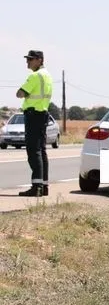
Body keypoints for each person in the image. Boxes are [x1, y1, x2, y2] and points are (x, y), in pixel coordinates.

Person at [16, 50, 53, 196]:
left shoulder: (35, 76)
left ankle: (36, 187)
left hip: (33, 115)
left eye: (30, 59)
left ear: (39, 60)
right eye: (27, 59)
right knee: (41, 150)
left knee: (33, 150)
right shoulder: (48, 76)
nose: (28, 62)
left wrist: (24, 93)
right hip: (43, 114)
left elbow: (20, 93)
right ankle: (43, 186)